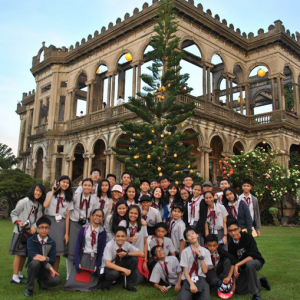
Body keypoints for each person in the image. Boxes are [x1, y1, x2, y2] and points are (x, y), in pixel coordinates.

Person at [10, 183, 46, 284]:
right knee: (19, 254)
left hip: (30, 233)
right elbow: (14, 214)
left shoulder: (38, 205)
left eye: (40, 191)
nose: (38, 193)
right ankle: (14, 276)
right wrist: (18, 222)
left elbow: (37, 219)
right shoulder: (24, 202)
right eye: (36, 190)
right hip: (20, 232)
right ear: (32, 190)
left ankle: (20, 273)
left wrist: (34, 226)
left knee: (24, 253)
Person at [227, 219, 270, 300]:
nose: (233, 233)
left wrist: (238, 264)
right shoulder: (230, 243)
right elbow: (233, 261)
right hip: (243, 267)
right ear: (228, 232)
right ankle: (260, 282)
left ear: (239, 229)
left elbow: (252, 255)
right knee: (239, 290)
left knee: (249, 264)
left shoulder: (247, 237)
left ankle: (255, 294)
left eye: (235, 230)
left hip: (256, 262)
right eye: (230, 231)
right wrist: (234, 284)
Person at [64, 209, 106, 291]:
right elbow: (78, 246)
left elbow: (102, 250)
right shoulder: (84, 229)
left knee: (91, 282)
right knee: (73, 282)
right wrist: (77, 261)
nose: (98, 217)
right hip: (84, 256)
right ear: (92, 216)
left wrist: (97, 264)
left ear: (102, 218)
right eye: (96, 215)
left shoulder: (102, 232)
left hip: (94, 257)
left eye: (100, 216)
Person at [65, 178, 98, 279]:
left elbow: (93, 214)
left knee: (82, 249)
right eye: (85, 185)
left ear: (92, 187)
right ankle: (68, 274)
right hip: (74, 223)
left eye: (89, 185)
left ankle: (80, 271)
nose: (87, 187)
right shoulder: (75, 197)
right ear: (82, 186)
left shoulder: (93, 199)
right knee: (72, 249)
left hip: (86, 225)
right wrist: (66, 232)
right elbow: (68, 212)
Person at [25, 217, 61, 297]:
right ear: (37, 229)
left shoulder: (52, 242)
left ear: (49, 229)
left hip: (45, 269)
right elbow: (33, 256)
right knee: (35, 262)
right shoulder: (31, 240)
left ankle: (42, 283)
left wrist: (46, 258)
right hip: (33, 267)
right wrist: (49, 267)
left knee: (56, 280)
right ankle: (29, 288)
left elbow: (52, 259)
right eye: (41, 227)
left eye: (46, 227)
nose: (44, 230)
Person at [101, 226, 144, 292]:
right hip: (107, 267)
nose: (120, 238)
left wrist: (127, 254)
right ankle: (105, 285)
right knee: (114, 273)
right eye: (118, 236)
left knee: (134, 259)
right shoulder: (109, 245)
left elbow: (141, 254)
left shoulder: (126, 244)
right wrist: (124, 270)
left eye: (123, 236)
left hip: (118, 264)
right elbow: (108, 264)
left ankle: (129, 285)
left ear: (126, 237)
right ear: (114, 237)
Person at [43, 175, 73, 271]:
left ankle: (54, 272)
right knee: (46, 248)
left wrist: (66, 233)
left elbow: (67, 217)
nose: (65, 184)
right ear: (58, 182)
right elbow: (45, 205)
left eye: (67, 183)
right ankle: (44, 271)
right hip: (49, 222)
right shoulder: (50, 194)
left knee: (57, 251)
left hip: (61, 224)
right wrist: (53, 191)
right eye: (63, 182)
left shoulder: (68, 197)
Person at [177, 227, 212, 300]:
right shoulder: (185, 252)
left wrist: (200, 255)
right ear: (187, 240)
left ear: (197, 235)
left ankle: (196, 294)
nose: (192, 236)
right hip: (189, 278)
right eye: (189, 235)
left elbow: (205, 271)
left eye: (193, 233)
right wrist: (191, 284)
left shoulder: (206, 251)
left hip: (200, 277)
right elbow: (185, 271)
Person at [119, 205, 149, 283]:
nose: (133, 215)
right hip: (125, 255)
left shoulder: (142, 225)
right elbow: (118, 239)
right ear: (128, 213)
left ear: (139, 215)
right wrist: (129, 239)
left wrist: (145, 261)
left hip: (139, 255)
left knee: (138, 280)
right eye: (131, 213)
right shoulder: (123, 223)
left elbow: (145, 243)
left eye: (135, 213)